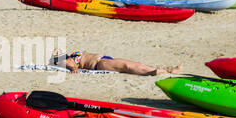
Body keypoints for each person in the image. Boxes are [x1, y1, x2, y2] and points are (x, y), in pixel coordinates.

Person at [48, 51, 178, 75]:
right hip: (99, 64)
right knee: (127, 67)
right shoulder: (68, 61)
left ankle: (165, 70)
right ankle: (154, 72)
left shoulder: (71, 56)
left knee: (137, 63)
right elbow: (69, 65)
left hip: (105, 58)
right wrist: (72, 69)